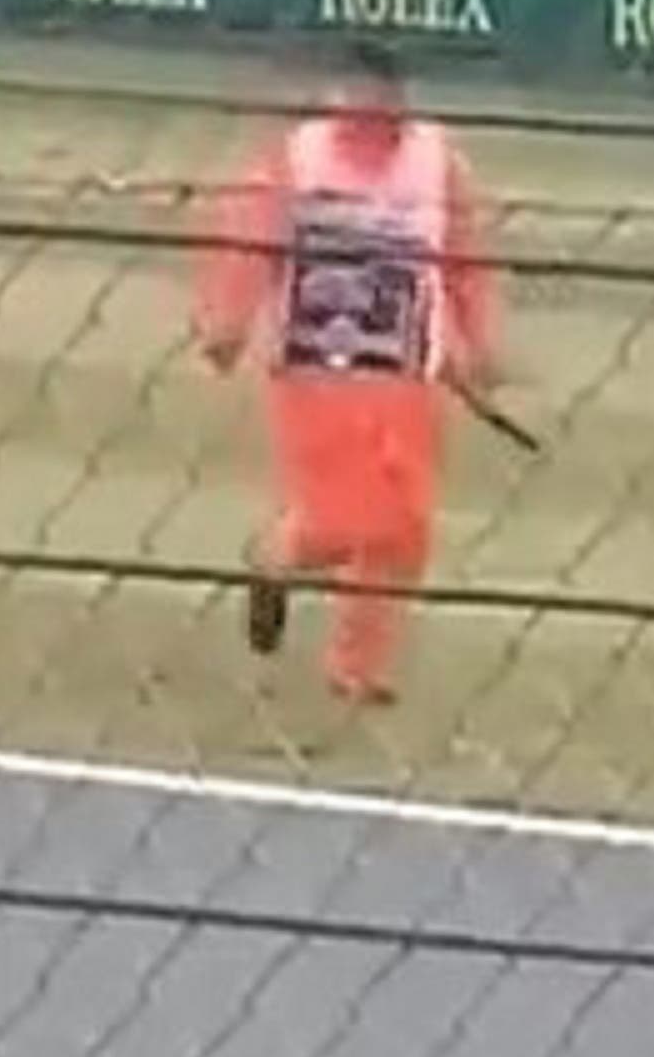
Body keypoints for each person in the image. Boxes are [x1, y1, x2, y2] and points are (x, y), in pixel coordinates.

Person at [194, 42, 495, 705]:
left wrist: (480, 340)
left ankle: (358, 666)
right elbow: (251, 245)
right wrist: (228, 322)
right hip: (314, 364)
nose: (365, 109)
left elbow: (464, 256)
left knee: (405, 521)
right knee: (349, 517)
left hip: (406, 364)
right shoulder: (296, 160)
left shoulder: (436, 163)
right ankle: (280, 556)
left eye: (378, 96)